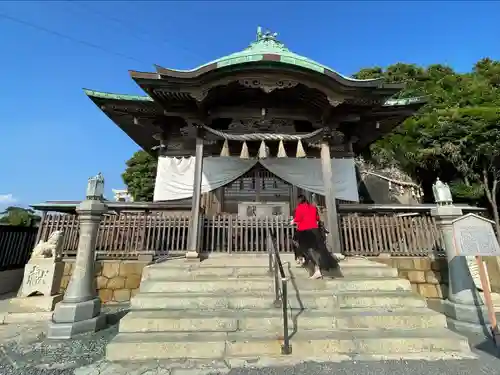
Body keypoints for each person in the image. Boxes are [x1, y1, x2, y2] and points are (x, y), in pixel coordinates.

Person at [291, 195, 339, 279]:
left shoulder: (300, 208)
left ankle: (315, 268)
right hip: (315, 230)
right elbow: (317, 218)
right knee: (316, 250)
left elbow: (298, 219)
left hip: (305, 231)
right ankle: (320, 268)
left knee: (308, 250)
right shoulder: (313, 208)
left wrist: (293, 221)